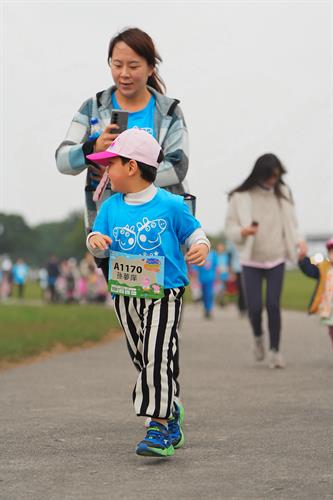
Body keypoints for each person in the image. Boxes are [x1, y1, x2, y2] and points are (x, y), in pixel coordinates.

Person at [86, 128, 210, 458]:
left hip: (165, 292)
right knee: (143, 356)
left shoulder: (170, 205)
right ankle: (170, 414)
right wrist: (95, 243)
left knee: (155, 354)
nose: (105, 171)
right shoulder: (111, 207)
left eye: (110, 164)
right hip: (125, 293)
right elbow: (97, 241)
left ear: (131, 167)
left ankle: (156, 427)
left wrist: (200, 247)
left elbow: (195, 234)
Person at [55, 27, 190, 282]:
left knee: (161, 309)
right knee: (127, 304)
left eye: (133, 66)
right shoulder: (92, 107)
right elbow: (62, 160)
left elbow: (178, 166)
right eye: (117, 65)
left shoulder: (169, 111)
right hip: (112, 226)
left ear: (151, 68)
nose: (124, 74)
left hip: (160, 227)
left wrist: (126, 176)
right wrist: (91, 150)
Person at [225, 153, 307, 369]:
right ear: (259, 174)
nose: (273, 181)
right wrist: (243, 231)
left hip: (276, 257)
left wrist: (300, 242)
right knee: (254, 308)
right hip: (251, 259)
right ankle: (258, 337)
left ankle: (275, 351)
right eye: (270, 176)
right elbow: (230, 228)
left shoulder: (284, 193)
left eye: (276, 176)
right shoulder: (240, 196)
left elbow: (292, 224)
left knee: (272, 305)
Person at [298, 238, 333, 350]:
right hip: (330, 308)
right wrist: (303, 258)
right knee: (332, 331)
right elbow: (310, 268)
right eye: (331, 252)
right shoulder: (324, 267)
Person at [193, 249, 218, 318]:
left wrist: (217, 277)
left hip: (210, 277)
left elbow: (216, 266)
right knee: (204, 295)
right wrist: (195, 277)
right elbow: (195, 266)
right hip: (202, 278)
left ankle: (209, 310)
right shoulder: (200, 253)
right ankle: (205, 309)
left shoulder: (213, 254)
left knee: (209, 294)